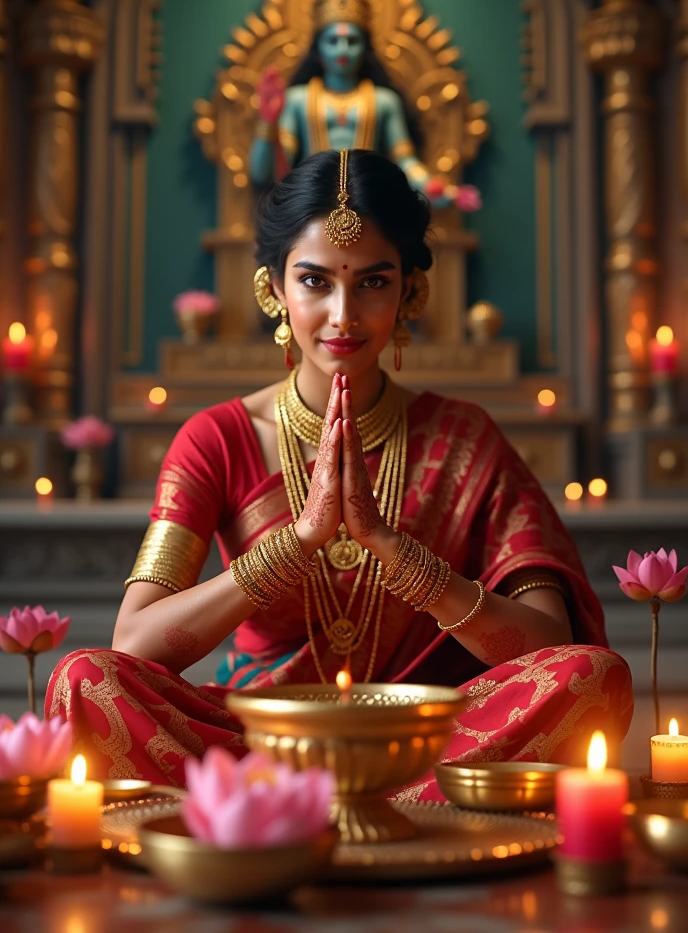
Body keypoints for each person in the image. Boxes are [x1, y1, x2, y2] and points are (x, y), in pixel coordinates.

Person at [47, 150, 632, 795]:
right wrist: (295, 543)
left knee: (590, 676)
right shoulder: (215, 439)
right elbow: (134, 644)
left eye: (373, 282)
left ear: (412, 289)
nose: (344, 316)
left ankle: (324, 809)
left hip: (422, 739)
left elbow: (547, 644)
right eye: (316, 281)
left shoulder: (465, 439)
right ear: (273, 289)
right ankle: (392, 812)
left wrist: (396, 552)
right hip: (257, 741)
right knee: (85, 680)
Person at [249, 0, 457, 208]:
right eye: (332, 41)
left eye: (352, 41)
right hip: (311, 205)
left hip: (369, 202)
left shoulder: (383, 101)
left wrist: (431, 186)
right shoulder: (298, 99)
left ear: (365, 47)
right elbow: (267, 173)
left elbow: (405, 161)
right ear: (317, 48)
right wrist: (268, 122)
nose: (343, 49)